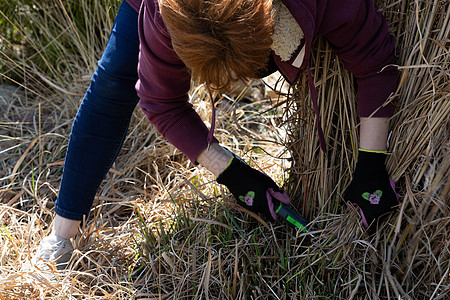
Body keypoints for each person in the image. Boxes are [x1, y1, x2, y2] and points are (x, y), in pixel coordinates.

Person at [33, 0, 399, 270]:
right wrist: (234, 174)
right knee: (114, 83)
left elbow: (374, 60)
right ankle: (62, 232)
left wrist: (371, 167)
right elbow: (162, 102)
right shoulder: (163, 17)